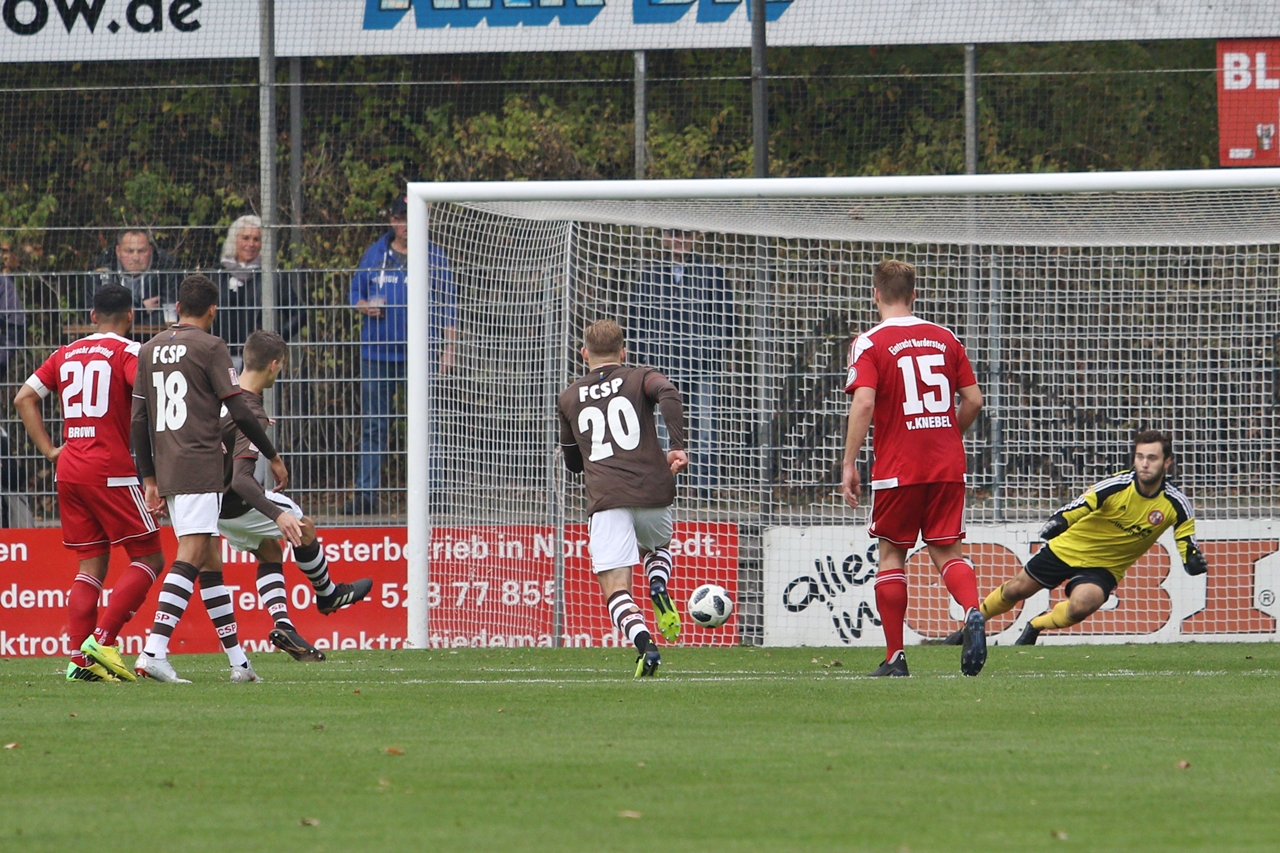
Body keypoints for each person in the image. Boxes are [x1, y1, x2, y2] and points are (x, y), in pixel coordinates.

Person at [131, 274, 289, 683]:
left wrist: (148, 477)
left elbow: (139, 420)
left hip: (167, 466)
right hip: (199, 463)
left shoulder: (148, 349)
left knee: (210, 562)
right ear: (213, 310)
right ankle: (154, 651)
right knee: (192, 555)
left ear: (177, 307)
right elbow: (238, 411)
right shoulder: (212, 346)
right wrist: (271, 456)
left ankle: (239, 662)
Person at [841, 259, 986, 678]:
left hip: (897, 469)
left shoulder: (869, 343)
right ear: (914, 295)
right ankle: (973, 610)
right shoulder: (945, 338)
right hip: (946, 466)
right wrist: (947, 434)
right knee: (947, 551)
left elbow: (864, 402)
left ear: (876, 295)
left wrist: (849, 463)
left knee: (891, 555)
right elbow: (974, 400)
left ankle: (895, 658)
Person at [13, 284, 164, 682]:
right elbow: (149, 395)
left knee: (90, 567)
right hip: (110, 469)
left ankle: (80, 663)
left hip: (71, 470)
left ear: (93, 316)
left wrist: (49, 450)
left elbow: (23, 397)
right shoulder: (129, 352)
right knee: (150, 558)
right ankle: (101, 639)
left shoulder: (64, 354)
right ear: (130, 317)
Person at [944, 430, 1207, 647]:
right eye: (1140, 457)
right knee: (1015, 590)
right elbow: (1079, 506)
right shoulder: (1116, 486)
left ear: (1167, 462)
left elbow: (1187, 542)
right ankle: (969, 628)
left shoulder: (1176, 503)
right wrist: (1060, 522)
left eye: (1152, 458)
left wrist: (1192, 560)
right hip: (1068, 548)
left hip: (1105, 567)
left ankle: (1035, 625)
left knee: (1082, 605)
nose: (1145, 463)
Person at [218, 329, 373, 662]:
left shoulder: (222, 398)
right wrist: (278, 515)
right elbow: (243, 481)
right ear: (274, 365)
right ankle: (329, 594)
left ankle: (284, 625)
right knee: (303, 525)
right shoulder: (251, 411)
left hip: (214, 507)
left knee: (269, 550)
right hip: (238, 501)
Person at [556, 319, 688, 677]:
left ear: (584, 353)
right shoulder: (640, 376)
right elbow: (669, 393)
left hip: (607, 499)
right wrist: (676, 447)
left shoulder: (569, 396)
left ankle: (646, 646)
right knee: (657, 547)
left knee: (615, 587)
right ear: (623, 352)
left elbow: (572, 464)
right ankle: (657, 582)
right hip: (653, 491)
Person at [344, 195, 457, 515]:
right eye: (399, 218)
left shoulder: (435, 256)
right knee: (373, 426)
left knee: (426, 426)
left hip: (421, 357)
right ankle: (366, 496)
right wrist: (366, 307)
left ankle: (432, 496)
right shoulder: (374, 254)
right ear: (392, 221)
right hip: (377, 354)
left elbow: (449, 305)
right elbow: (355, 294)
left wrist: (448, 349)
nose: (405, 225)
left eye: (411, 218)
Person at [626, 230, 732, 498]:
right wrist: (648, 360)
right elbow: (637, 321)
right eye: (673, 235)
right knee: (662, 429)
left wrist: (711, 352)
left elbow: (727, 319)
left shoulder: (712, 273)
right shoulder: (649, 276)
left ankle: (704, 488)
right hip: (662, 366)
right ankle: (667, 484)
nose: (679, 240)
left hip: (702, 364)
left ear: (695, 237)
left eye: (685, 235)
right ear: (663, 237)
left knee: (705, 425)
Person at [214, 215, 303, 367]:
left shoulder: (272, 277)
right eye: (246, 238)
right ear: (234, 240)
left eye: (256, 239)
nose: (251, 244)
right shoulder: (217, 276)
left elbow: (299, 314)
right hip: (220, 358)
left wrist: (272, 339)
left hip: (257, 361)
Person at [84, 229, 181, 323]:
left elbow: (170, 316)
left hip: (153, 335)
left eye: (141, 251)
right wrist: (142, 309)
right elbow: (95, 316)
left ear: (150, 250)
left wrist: (124, 317)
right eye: (129, 251)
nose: (135, 257)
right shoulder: (100, 269)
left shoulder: (166, 267)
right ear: (118, 251)